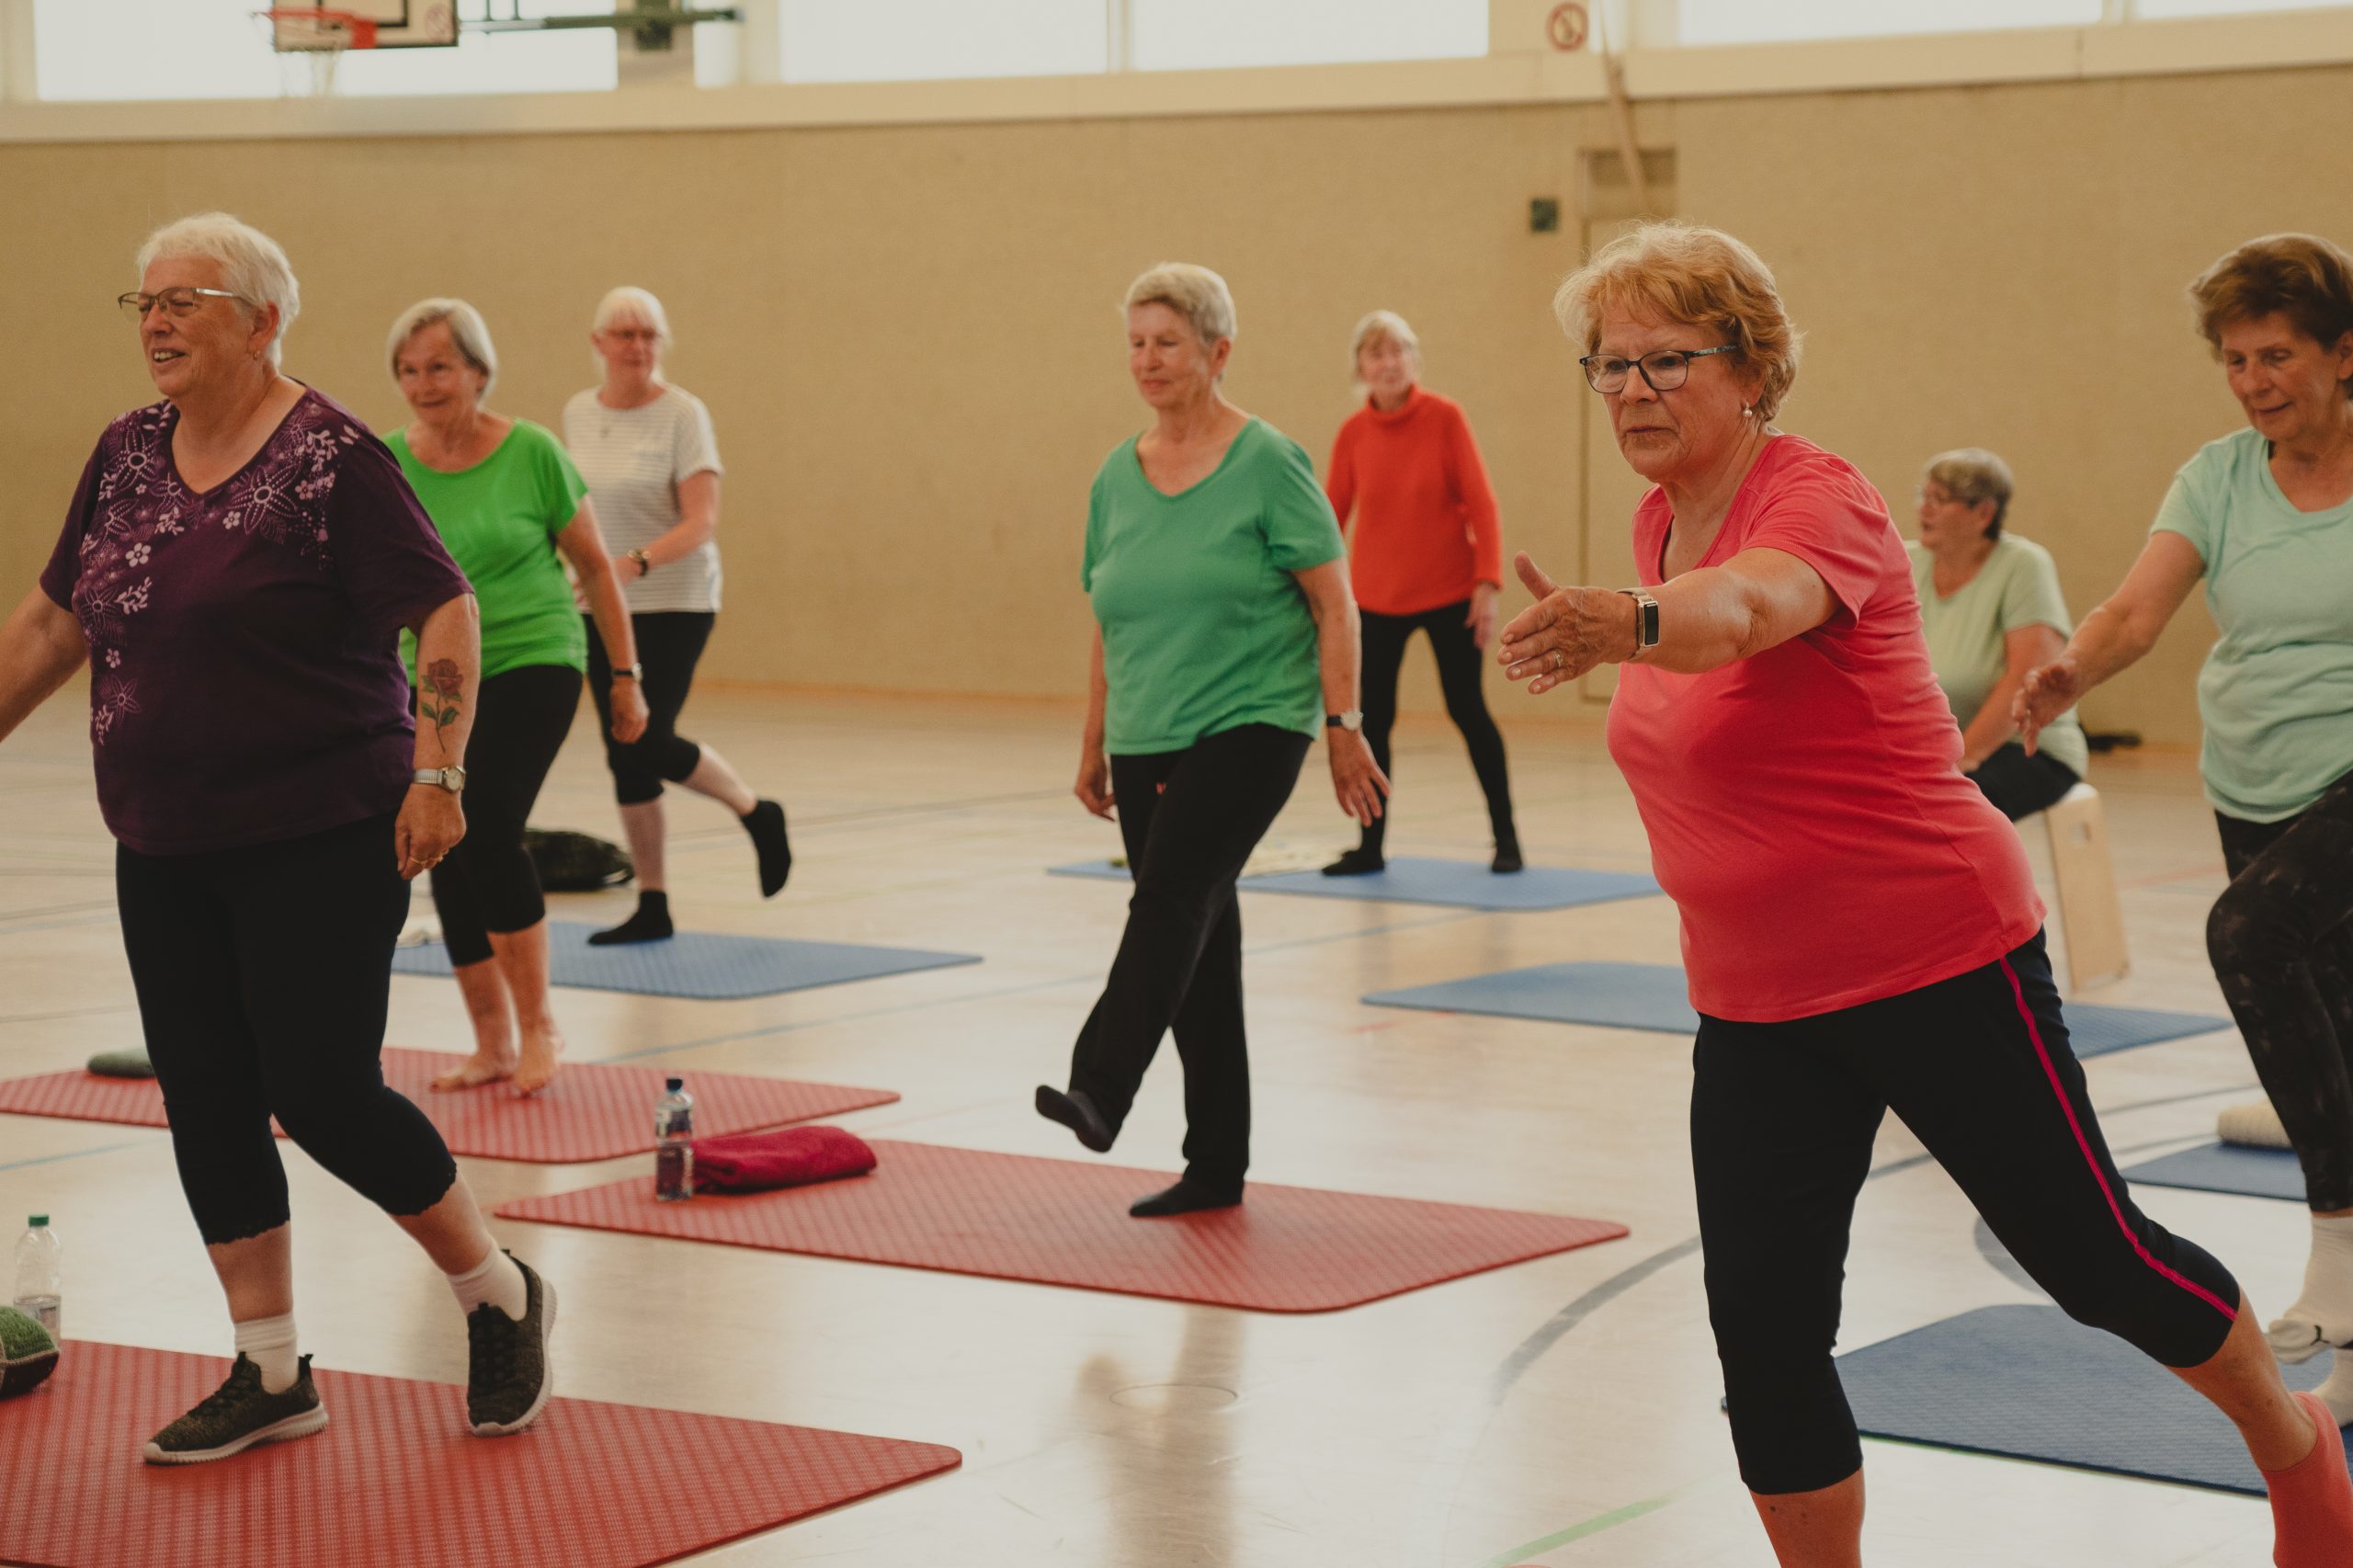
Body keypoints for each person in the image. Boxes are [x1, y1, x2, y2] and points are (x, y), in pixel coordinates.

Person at [1500, 220, 2349, 1565]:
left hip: (1935, 957)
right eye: (1607, 366)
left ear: (1754, 368)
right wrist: (1636, 608)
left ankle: (2295, 1446)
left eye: (1668, 360)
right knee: (1765, 1337)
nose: (1631, 391)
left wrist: (1635, 622)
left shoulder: (1815, 497)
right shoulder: (1665, 520)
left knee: (2099, 1263)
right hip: (1757, 1003)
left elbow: (1747, 612)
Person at [0, 213, 552, 1462]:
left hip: (323, 824)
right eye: (144, 299)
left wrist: (442, 769)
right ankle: (270, 1368)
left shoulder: (332, 457)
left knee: (321, 1090)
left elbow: (447, 607)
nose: (156, 320)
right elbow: (49, 623)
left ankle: (498, 1291)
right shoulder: (126, 452)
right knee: (205, 1098)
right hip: (164, 832)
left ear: (262, 319)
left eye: (187, 298)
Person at [2018, 233, 2353, 1415]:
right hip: (2251, 778)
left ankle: (2335, 1247)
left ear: (2342, 352)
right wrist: (2069, 672)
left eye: (2277, 355)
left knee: (2244, 938)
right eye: (2234, 360)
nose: (2255, 381)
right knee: (2337, 1033)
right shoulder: (2217, 475)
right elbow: (2134, 607)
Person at [1034, 262, 1388, 1217]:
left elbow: (1335, 604)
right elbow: (1109, 613)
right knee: (1198, 949)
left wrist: (1344, 727)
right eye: (1137, 343)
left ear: (1217, 352)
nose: (1147, 361)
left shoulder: (1269, 462)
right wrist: (1093, 740)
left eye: (1168, 342)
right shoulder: (1117, 473)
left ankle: (1100, 1085)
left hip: (1252, 721)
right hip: (1146, 730)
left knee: (1171, 898)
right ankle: (1216, 1163)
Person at [387, 298, 649, 1095]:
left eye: (439, 366)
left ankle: (541, 1027)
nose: (424, 384)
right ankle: (491, 1042)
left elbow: (598, 568)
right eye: (408, 371)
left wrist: (625, 678)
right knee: (436, 835)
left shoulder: (531, 450)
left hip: (535, 654)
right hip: (433, 673)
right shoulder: (391, 460)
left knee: (489, 822)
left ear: (477, 369)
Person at [561, 286, 788, 945]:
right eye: (624, 335)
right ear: (598, 343)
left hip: (676, 601)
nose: (637, 347)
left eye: (649, 336)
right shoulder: (578, 412)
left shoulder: (684, 414)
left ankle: (755, 810)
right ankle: (654, 905)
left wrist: (634, 561)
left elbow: (702, 522)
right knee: (622, 754)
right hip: (604, 605)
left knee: (647, 737)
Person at [1321, 310, 1519, 875]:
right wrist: (1313, 589)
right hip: (1376, 601)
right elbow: (1330, 514)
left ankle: (1506, 839)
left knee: (1468, 710)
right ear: (1360, 366)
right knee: (1371, 721)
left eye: (1398, 351)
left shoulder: (1445, 418)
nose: (1388, 363)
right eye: (1376, 353)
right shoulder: (1353, 433)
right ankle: (1369, 846)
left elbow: (1483, 504)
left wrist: (1488, 583)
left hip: (1451, 593)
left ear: (1413, 360)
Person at [1908, 447, 2086, 819]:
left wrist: (1960, 760)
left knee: (1938, 814)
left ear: (1983, 513)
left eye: (1940, 499)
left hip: (2024, 748)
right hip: (1934, 747)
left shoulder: (2023, 565)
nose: (1924, 509)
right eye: (1923, 496)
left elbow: (2026, 677)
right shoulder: (1906, 562)